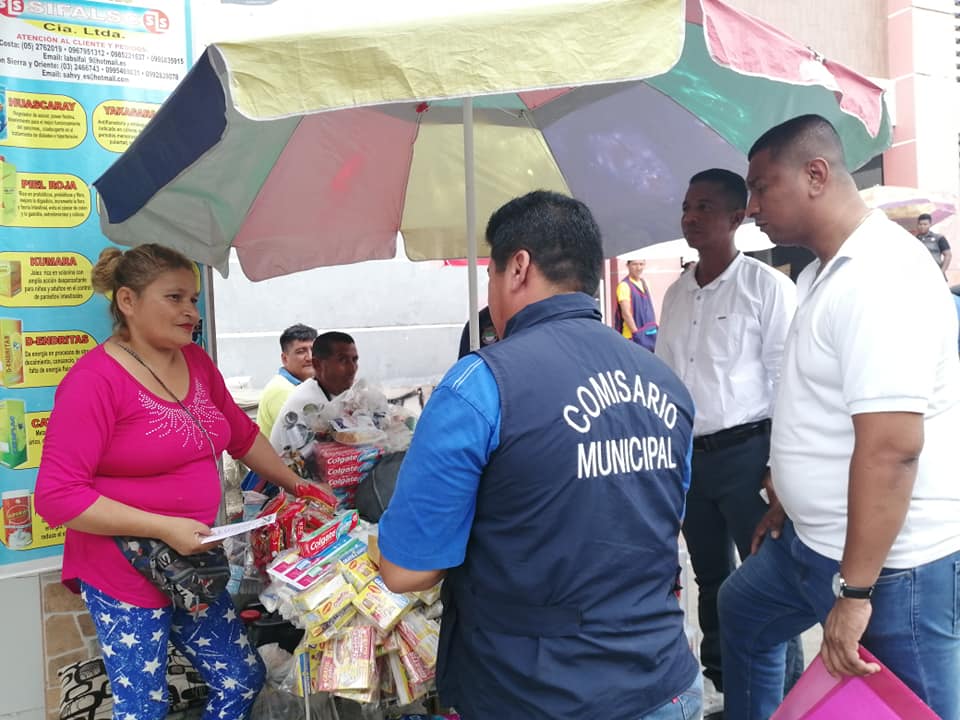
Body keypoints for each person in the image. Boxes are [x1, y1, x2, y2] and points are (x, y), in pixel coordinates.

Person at [377, 191, 701, 720]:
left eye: (490, 274)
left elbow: (406, 570)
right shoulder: (666, 382)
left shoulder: (479, 385)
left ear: (518, 267)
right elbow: (662, 520)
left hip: (536, 693)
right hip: (665, 685)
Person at [718, 114, 960, 720]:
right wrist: (791, 496)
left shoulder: (881, 276)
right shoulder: (822, 272)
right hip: (808, 543)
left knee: (910, 708)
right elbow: (822, 409)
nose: (751, 208)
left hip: (892, 570)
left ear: (816, 175)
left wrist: (854, 595)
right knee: (742, 611)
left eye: (761, 187)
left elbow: (892, 449)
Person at [34, 245, 315, 720]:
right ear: (128, 300)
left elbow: (242, 436)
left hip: (192, 564)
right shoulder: (93, 381)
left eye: (194, 299)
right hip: (123, 569)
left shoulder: (197, 362)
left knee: (241, 679)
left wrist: (297, 485)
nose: (191, 312)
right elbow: (57, 496)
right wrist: (164, 526)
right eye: (175, 298)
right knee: (144, 707)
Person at [656, 168, 801, 717]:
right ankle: (724, 683)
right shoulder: (676, 295)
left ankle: (785, 696)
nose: (690, 217)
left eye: (705, 207)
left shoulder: (766, 287)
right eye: (687, 206)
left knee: (769, 577)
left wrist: (779, 464)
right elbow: (667, 382)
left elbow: (787, 378)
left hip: (750, 455)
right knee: (711, 576)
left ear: (737, 217)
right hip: (692, 460)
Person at [269, 331, 359, 457]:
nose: (352, 368)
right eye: (342, 360)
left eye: (354, 360)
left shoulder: (334, 391)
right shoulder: (306, 403)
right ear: (317, 364)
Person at [256, 323, 317, 438]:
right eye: (301, 351)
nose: (310, 357)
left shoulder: (307, 384)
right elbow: (301, 439)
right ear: (285, 358)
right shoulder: (282, 390)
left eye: (314, 350)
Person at [614, 258, 658, 350]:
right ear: (628, 265)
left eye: (641, 264)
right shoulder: (624, 286)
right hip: (632, 337)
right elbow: (626, 313)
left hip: (648, 334)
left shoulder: (645, 283)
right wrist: (637, 334)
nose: (638, 268)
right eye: (634, 264)